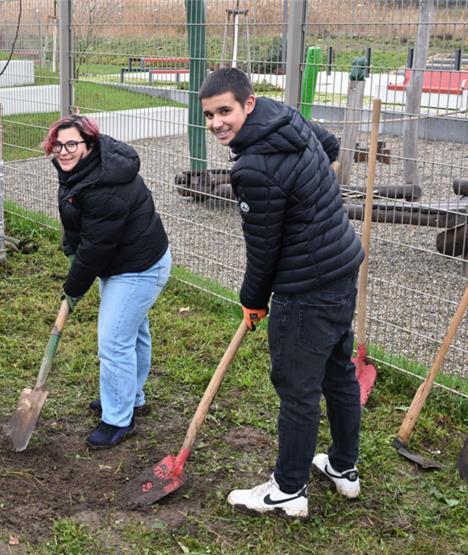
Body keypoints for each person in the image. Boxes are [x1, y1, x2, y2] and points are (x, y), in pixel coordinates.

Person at [199, 67, 364, 518]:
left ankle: (289, 490)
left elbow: (264, 250)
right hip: (342, 264)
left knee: (297, 389)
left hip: (307, 288)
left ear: (248, 104)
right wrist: (313, 198)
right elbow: (328, 146)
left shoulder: (253, 169)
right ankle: (343, 468)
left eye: (225, 111)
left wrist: (252, 300)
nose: (217, 123)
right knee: (338, 371)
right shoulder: (284, 116)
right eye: (210, 115)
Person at [42, 115, 171, 450]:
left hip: (140, 267)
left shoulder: (105, 187)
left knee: (114, 340)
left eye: (72, 144)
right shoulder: (81, 170)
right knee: (133, 333)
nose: (64, 151)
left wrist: (73, 288)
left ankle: (118, 419)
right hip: (123, 262)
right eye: (58, 145)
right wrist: (71, 249)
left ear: (89, 144)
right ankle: (132, 398)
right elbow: (77, 225)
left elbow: (96, 250)